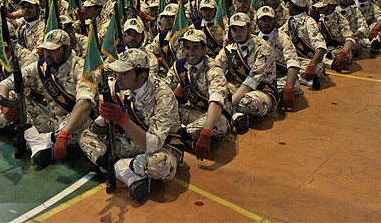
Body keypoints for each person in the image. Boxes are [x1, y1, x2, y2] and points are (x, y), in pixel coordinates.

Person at [80, 49, 183, 201]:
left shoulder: (163, 96)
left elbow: (152, 144)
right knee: (86, 137)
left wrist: (121, 119)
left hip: (163, 147)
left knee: (159, 165)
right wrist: (106, 116)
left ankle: (115, 167)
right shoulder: (119, 88)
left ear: (142, 76)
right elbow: (97, 130)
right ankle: (129, 174)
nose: (118, 77)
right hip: (132, 142)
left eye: (125, 73)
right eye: (117, 73)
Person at [0, 29, 95, 167]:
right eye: (46, 50)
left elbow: (85, 104)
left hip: (75, 121)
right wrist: (4, 104)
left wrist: (64, 134)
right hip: (53, 118)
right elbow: (5, 84)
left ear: (67, 50)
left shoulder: (82, 68)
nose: (48, 54)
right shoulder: (42, 65)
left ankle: (36, 140)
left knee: (82, 123)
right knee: (17, 97)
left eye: (53, 50)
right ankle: (39, 142)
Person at [167, 28, 232, 160]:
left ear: (204, 49)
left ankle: (175, 136)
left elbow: (216, 103)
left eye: (195, 48)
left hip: (215, 115)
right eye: (187, 48)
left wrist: (205, 132)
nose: (190, 53)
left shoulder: (214, 69)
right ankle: (187, 138)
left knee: (218, 125)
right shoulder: (179, 66)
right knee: (167, 112)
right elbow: (163, 90)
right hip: (192, 111)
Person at [215, 13, 277, 132]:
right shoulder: (229, 49)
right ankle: (236, 116)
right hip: (237, 88)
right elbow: (215, 69)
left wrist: (230, 103)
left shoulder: (263, 48)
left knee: (246, 102)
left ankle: (228, 114)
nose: (237, 33)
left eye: (241, 28)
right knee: (213, 91)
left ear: (250, 28)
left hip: (261, 91)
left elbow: (252, 80)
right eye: (234, 29)